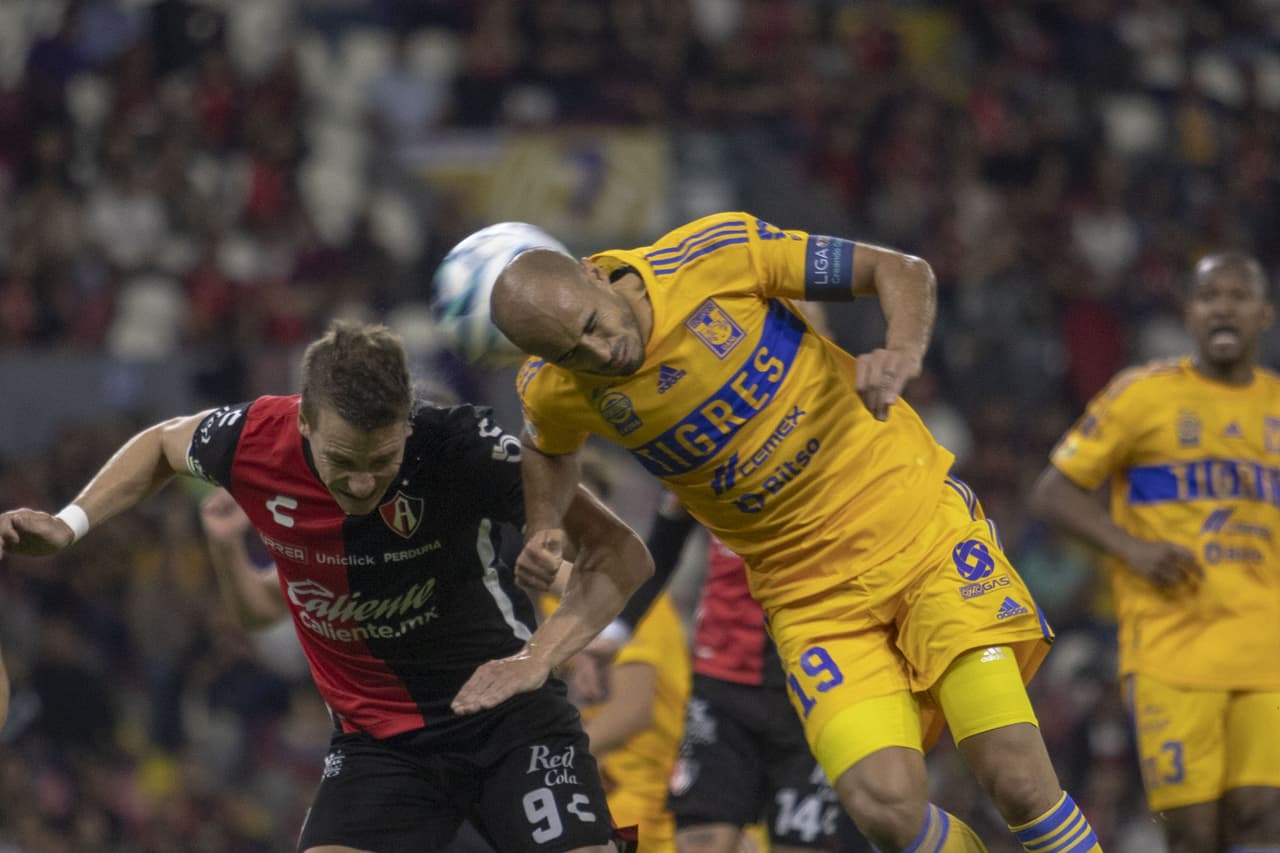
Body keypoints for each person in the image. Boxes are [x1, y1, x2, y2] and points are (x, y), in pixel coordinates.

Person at [488, 211, 1104, 853]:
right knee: (887, 810)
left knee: (1017, 781)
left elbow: (897, 269)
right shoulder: (553, 388)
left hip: (919, 533)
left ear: (594, 273)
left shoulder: (713, 256)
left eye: (592, 325)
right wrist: (545, 525)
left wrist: (901, 351)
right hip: (809, 598)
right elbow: (547, 448)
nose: (598, 353)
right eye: (569, 352)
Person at [0, 321, 652, 853]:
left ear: (407, 423)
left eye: (383, 460)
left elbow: (622, 555)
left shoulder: (459, 448)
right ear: (304, 421)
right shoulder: (254, 439)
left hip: (509, 723)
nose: (363, 483)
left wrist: (540, 655)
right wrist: (69, 523)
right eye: (343, 460)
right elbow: (163, 444)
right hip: (379, 744)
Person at [1030, 252, 1280, 853]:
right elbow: (1053, 492)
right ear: (1188, 313)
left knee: (1261, 815)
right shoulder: (1142, 397)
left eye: (1238, 296)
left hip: (1266, 647)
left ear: (1265, 315)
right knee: (1194, 832)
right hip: (1172, 646)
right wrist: (1131, 548)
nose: (1223, 308)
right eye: (1209, 296)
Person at [614, 492, 843, 853]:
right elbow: (662, 545)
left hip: (816, 684)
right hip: (720, 684)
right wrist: (617, 631)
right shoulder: (696, 464)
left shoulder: (834, 466)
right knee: (701, 842)